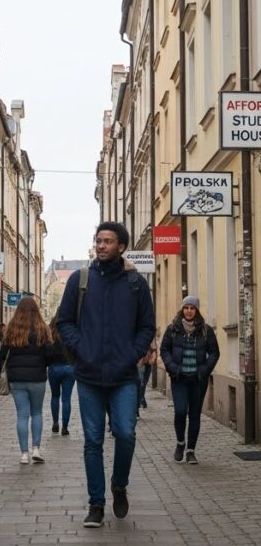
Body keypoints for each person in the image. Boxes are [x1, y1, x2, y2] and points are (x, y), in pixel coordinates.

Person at [56, 221, 154, 528]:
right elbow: (64, 321)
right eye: (98, 240)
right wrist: (81, 347)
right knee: (92, 441)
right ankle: (96, 504)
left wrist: (132, 354)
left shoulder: (136, 283)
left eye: (107, 241)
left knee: (125, 433)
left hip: (124, 375)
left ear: (121, 246)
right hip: (88, 375)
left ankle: (119, 484)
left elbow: (147, 326)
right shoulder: (80, 280)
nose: (101, 245)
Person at [160, 296, 219, 465]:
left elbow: (214, 352)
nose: (189, 311)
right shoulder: (173, 329)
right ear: (182, 310)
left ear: (197, 310)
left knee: (194, 414)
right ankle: (180, 443)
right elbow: (164, 350)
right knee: (180, 412)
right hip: (179, 379)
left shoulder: (206, 330)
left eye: (192, 308)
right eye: (186, 308)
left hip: (198, 380)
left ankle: (191, 451)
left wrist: (205, 370)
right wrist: (172, 367)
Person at [2, 296, 51, 465]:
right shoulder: (42, 329)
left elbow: (3, 354)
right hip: (37, 378)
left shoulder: (11, 329)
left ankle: (24, 454)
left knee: (22, 415)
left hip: (17, 379)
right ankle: (36, 449)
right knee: (37, 413)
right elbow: (49, 354)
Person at [46, 314, 76, 436]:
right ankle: (65, 427)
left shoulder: (50, 331)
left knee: (55, 396)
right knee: (66, 399)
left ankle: (55, 423)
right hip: (69, 368)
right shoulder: (70, 330)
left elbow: (46, 350)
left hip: (54, 368)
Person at [137, 333, 159, 411]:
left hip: (148, 361)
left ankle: (141, 399)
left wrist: (153, 358)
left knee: (144, 382)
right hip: (139, 362)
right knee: (141, 382)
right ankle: (139, 402)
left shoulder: (150, 333)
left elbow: (154, 349)